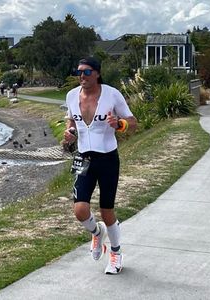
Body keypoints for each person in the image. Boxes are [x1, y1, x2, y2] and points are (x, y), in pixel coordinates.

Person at [63, 57, 137, 275]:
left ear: (97, 73)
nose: (81, 77)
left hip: (107, 159)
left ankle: (115, 253)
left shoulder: (112, 94)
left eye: (86, 72)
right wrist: (69, 134)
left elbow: (133, 122)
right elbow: (71, 122)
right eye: (78, 72)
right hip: (84, 159)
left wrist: (120, 124)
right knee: (80, 210)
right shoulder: (71, 96)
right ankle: (96, 233)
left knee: (107, 211)